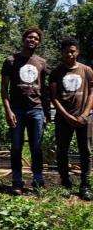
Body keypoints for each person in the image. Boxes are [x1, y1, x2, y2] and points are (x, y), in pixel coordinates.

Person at [1, 27, 50, 195]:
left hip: (36, 110)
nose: (32, 40)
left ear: (38, 42)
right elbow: (4, 89)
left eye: (36, 38)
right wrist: (8, 111)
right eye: (29, 37)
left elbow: (44, 90)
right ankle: (16, 180)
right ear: (23, 39)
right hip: (17, 111)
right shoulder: (11, 61)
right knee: (16, 147)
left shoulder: (42, 62)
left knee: (36, 147)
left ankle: (37, 179)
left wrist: (46, 113)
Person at [50, 37, 93, 200]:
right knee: (62, 150)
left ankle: (85, 185)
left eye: (72, 51)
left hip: (85, 118)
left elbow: (91, 93)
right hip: (63, 119)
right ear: (62, 52)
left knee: (86, 152)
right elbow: (54, 98)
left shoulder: (87, 70)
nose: (70, 54)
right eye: (66, 51)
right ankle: (65, 183)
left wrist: (85, 114)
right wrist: (67, 116)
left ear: (78, 52)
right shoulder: (56, 72)